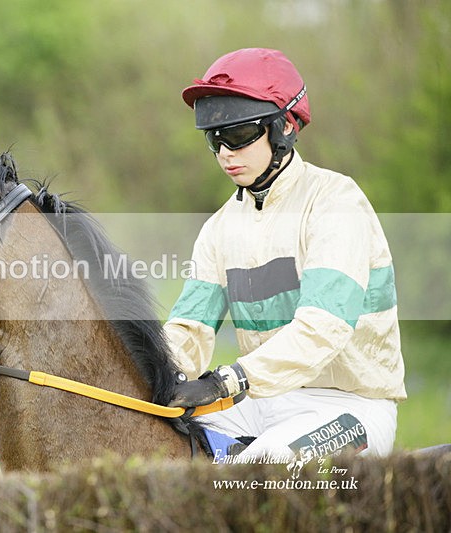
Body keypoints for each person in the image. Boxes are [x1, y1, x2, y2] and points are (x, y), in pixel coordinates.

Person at [164, 48, 406, 461]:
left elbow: (323, 328)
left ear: (286, 126)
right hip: (263, 402)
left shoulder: (336, 202)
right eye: (214, 139)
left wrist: (230, 379)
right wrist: (147, 371)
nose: (225, 153)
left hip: (352, 406)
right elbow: (189, 330)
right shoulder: (218, 228)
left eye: (238, 135)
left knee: (258, 470)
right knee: (154, 440)